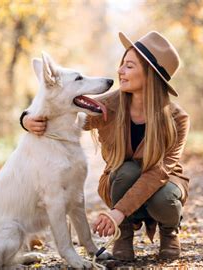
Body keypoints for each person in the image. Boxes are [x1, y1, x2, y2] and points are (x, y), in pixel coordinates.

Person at [20, 31, 190, 261]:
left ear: (150, 75)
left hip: (162, 184)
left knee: (166, 197)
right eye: (122, 64)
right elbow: (61, 108)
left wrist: (116, 213)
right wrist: (27, 118)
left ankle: (169, 231)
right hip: (122, 182)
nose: (120, 71)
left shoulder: (178, 119)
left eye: (129, 66)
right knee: (125, 172)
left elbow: (159, 172)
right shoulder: (108, 104)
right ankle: (124, 234)